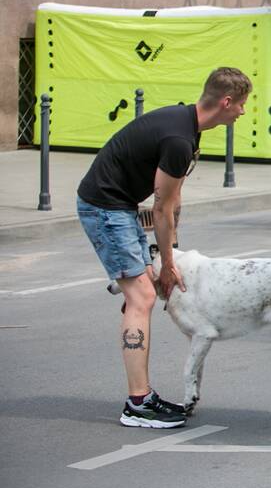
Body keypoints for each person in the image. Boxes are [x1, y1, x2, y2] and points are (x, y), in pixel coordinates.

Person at [77, 67, 252, 428]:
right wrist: (168, 263)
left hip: (118, 205)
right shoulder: (179, 139)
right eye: (243, 105)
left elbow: (173, 198)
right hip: (104, 206)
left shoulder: (188, 126)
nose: (243, 112)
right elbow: (160, 207)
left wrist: (171, 249)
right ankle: (138, 404)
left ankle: (142, 396)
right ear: (226, 101)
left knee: (142, 294)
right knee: (142, 298)